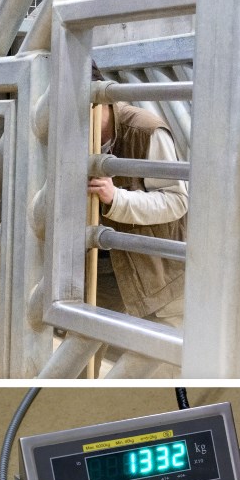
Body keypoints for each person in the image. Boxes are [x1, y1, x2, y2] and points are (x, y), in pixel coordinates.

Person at [88, 93, 187, 328]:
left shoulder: (147, 131)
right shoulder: (72, 133)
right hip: (99, 263)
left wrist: (116, 198)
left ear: (98, 101)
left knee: (158, 356)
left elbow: (177, 201)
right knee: (83, 347)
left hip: (154, 270)